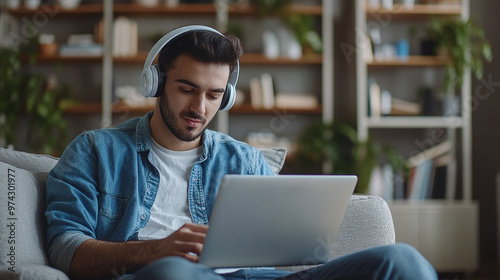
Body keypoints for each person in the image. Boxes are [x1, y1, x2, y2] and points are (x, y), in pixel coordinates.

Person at [45, 25, 438, 280]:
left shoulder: (245, 160)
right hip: (162, 275)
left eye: (214, 94)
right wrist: (155, 251)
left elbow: (284, 245)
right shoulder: (95, 151)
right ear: (156, 82)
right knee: (173, 273)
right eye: (186, 88)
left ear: (227, 97)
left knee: (403, 261)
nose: (200, 107)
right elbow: (66, 250)